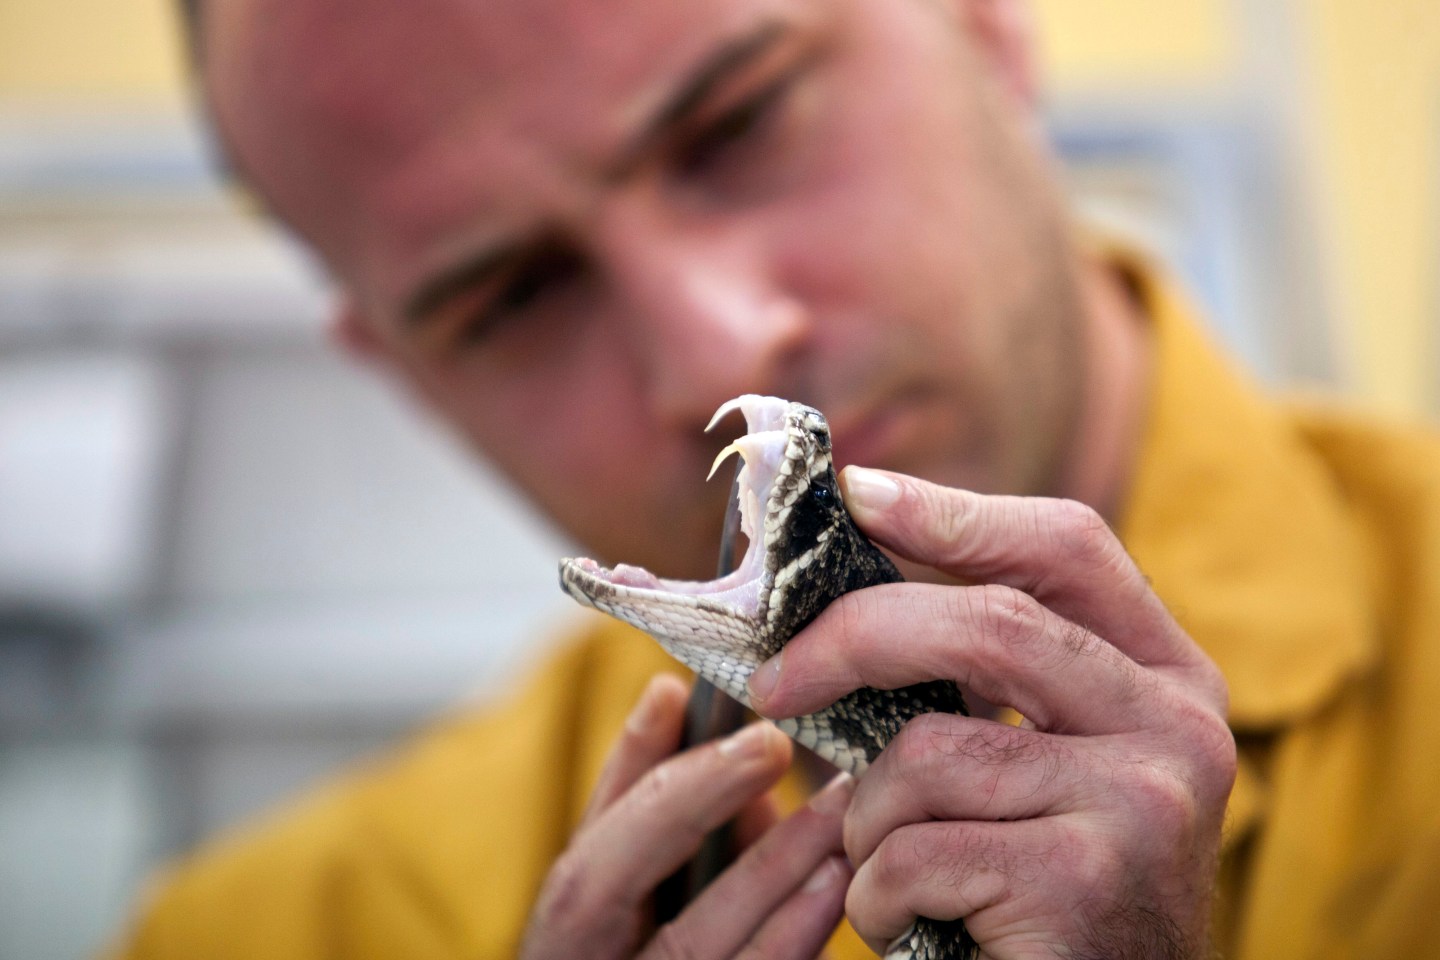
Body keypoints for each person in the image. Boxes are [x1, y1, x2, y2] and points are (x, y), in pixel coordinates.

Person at [112, 0, 1440, 958]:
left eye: (736, 121)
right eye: (513, 295)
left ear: (982, 18)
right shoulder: (263, 936)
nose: (717, 354)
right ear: (407, 375)